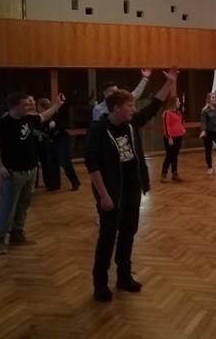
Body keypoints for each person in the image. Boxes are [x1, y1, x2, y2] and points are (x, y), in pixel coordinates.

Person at [85, 67, 177, 302]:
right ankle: (100, 283)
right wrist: (104, 195)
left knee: (128, 233)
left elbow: (154, 106)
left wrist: (169, 83)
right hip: (111, 192)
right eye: (130, 106)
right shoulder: (98, 130)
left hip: (132, 189)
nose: (134, 109)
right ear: (117, 108)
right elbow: (92, 165)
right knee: (107, 237)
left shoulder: (130, 124)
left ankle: (124, 276)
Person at [0, 92, 66, 255]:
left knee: (23, 204)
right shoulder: (5, 122)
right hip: (13, 173)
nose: (30, 106)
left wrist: (57, 105)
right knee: (7, 206)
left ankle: (17, 232)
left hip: (30, 170)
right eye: (25, 104)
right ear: (15, 106)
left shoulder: (28, 118)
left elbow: (44, 116)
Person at [36, 98, 81, 191]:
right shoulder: (42, 118)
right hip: (51, 142)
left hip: (61, 141)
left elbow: (59, 131)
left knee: (65, 162)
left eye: (39, 107)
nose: (38, 109)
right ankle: (54, 184)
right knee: (53, 162)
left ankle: (75, 182)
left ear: (43, 107)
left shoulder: (54, 116)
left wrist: (47, 134)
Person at [161, 96, 186, 183]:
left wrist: (182, 129)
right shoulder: (167, 113)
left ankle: (175, 174)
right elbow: (166, 126)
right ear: (174, 102)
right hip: (171, 138)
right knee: (169, 156)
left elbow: (180, 122)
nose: (180, 103)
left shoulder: (177, 112)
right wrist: (169, 137)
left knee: (175, 156)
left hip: (179, 136)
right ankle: (164, 174)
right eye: (178, 101)